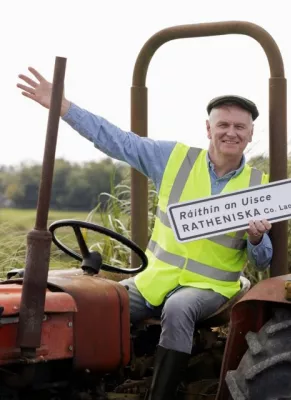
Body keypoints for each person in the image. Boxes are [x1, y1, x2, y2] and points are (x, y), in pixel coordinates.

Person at [17, 66, 273, 399]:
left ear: (251, 134)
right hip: (155, 279)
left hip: (211, 287)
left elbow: (263, 258)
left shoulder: (259, 186)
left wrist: (255, 238)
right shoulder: (174, 159)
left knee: (179, 309)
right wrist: (65, 108)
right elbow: (117, 141)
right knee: (100, 304)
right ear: (208, 128)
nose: (231, 133)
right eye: (223, 124)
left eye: (240, 127)